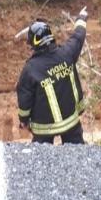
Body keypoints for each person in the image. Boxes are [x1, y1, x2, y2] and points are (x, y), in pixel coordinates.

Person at [16, 7, 88, 144]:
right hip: (71, 122)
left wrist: (23, 121)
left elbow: (25, 101)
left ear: (34, 43)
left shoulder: (30, 69)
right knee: (78, 157)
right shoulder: (67, 53)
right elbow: (78, 36)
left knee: (41, 160)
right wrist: (81, 19)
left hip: (44, 129)